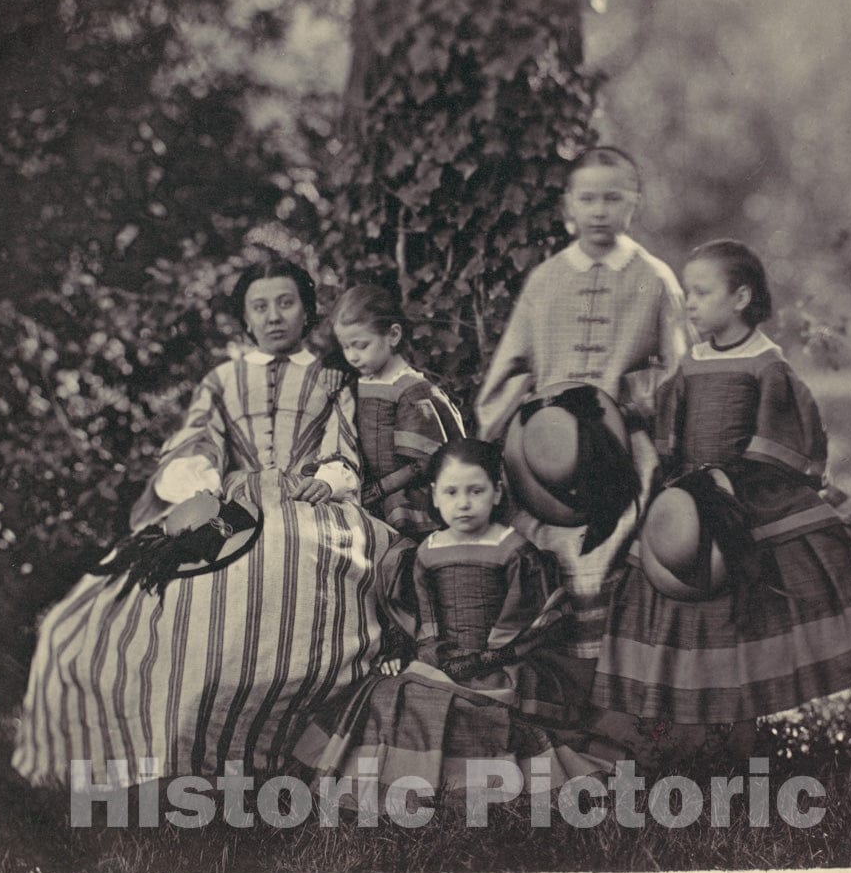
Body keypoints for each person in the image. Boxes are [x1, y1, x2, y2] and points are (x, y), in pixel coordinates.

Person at [11, 257, 409, 787]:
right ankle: (154, 745)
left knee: (294, 556)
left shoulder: (333, 376)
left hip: (306, 497)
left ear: (308, 310)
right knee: (113, 602)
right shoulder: (223, 379)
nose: (273, 317)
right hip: (231, 498)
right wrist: (199, 479)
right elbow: (198, 438)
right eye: (259, 306)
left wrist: (331, 476)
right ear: (244, 318)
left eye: (286, 303)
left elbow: (344, 445)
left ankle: (282, 742)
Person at [591, 238, 851, 760]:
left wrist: (736, 480)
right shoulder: (691, 364)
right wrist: (638, 420)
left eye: (702, 292)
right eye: (687, 292)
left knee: (743, 609)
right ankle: (688, 724)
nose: (689, 302)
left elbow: (785, 433)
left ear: (740, 298)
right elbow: (670, 422)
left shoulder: (766, 364)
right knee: (679, 597)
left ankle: (739, 728)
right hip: (692, 498)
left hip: (746, 495)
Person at [291, 439, 614, 800]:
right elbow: (423, 616)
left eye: (476, 491)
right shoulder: (427, 552)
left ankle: (468, 775)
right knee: (393, 697)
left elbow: (530, 617)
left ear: (496, 493)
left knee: (474, 706)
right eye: (451, 492)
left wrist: (488, 658)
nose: (463, 503)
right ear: (435, 495)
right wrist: (430, 652)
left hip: (500, 661)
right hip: (442, 658)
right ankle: (407, 777)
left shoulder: (514, 549)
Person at [475, 146, 690, 661]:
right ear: (568, 206)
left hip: (625, 448)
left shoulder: (654, 279)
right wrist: (497, 438)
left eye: (612, 199)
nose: (599, 211)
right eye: (587, 199)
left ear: (633, 205)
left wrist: (634, 399)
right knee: (538, 555)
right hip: (543, 453)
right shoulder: (546, 281)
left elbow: (680, 372)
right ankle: (549, 683)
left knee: (619, 549)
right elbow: (507, 373)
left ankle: (611, 680)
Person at [331, 283, 465, 540]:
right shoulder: (359, 383)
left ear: (392, 335)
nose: (352, 356)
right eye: (345, 347)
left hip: (404, 499)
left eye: (360, 345)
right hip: (365, 493)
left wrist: (378, 490)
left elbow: (425, 462)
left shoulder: (410, 390)